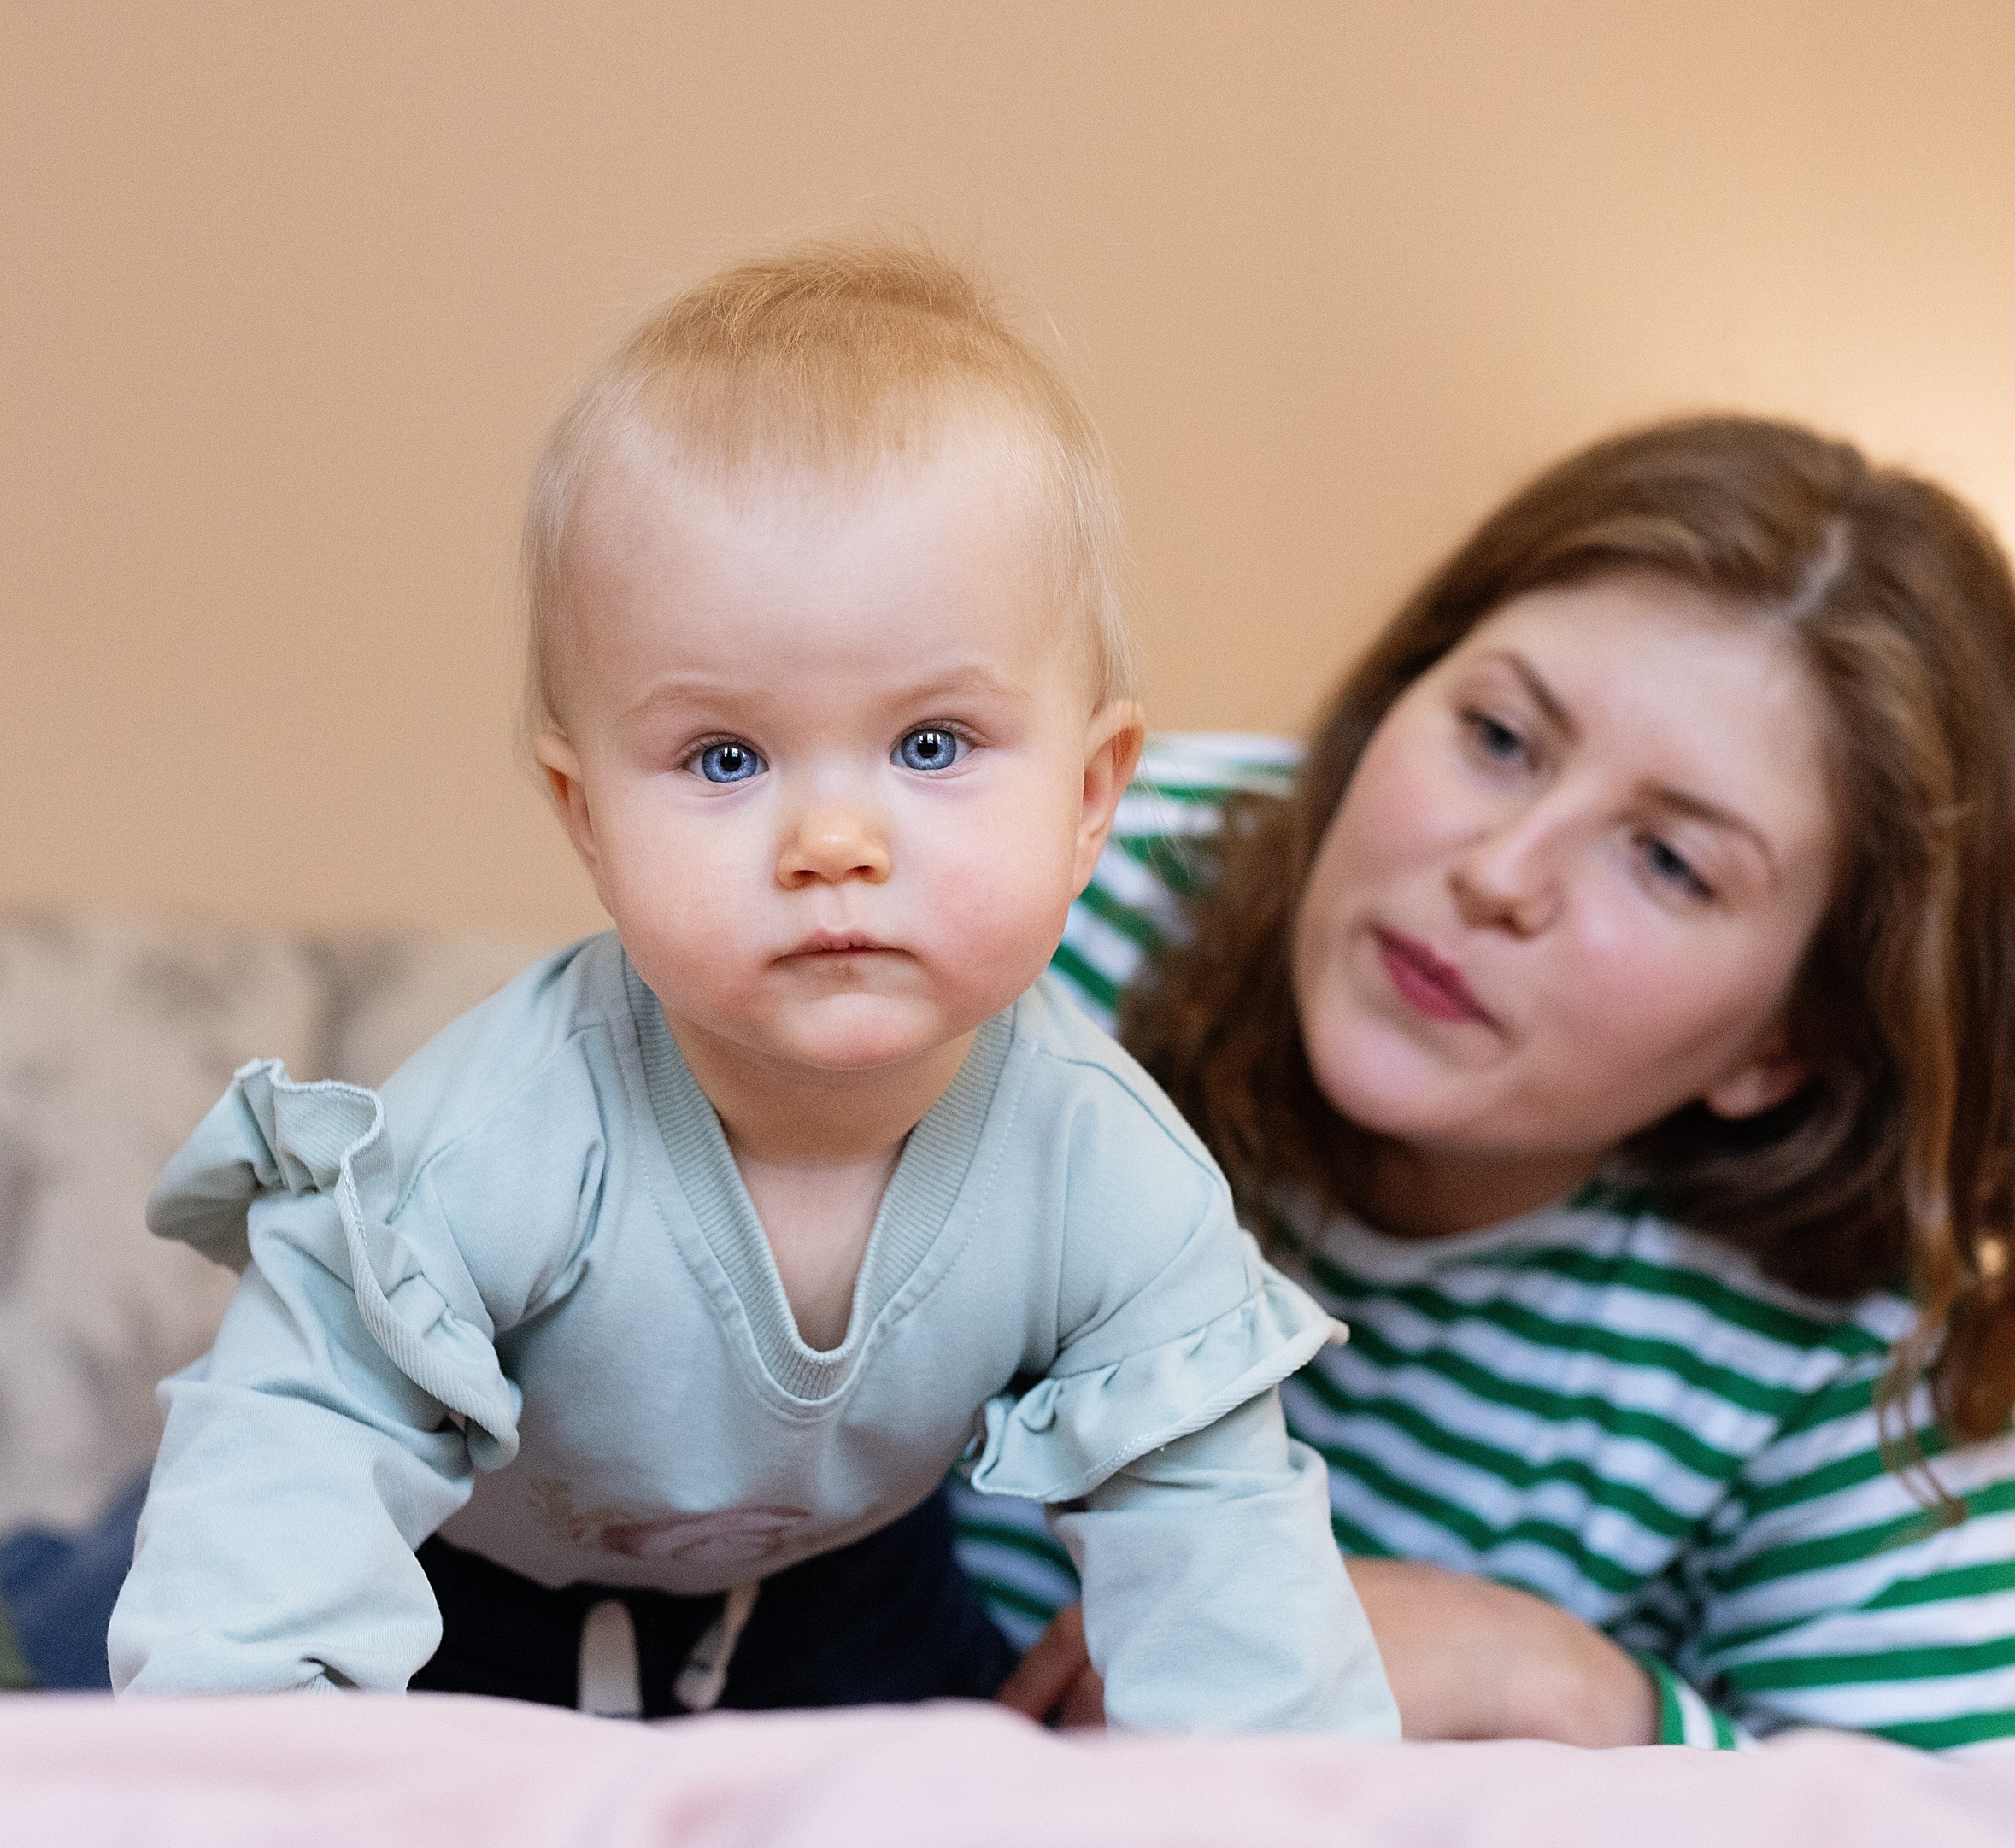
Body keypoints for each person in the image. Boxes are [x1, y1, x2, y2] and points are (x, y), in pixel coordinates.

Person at [107, 241, 1396, 1737]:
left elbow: (1229, 1574)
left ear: (1095, 790)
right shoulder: (512, 1132)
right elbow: (304, 1439)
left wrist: (1295, 1795)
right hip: (442, 1579)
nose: (833, 844)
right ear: (586, 815)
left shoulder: (1101, 1169)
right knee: (123, 1663)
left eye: (932, 745)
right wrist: (243, 1746)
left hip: (841, 1590)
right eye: (727, 758)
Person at [959, 414, 2015, 1751]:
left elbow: (1977, 1812)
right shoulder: (1046, 903)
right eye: (1497, 736)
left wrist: (1541, 1680)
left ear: (1790, 1042)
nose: (1501, 872)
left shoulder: (1833, 1332)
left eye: (1668, 863)